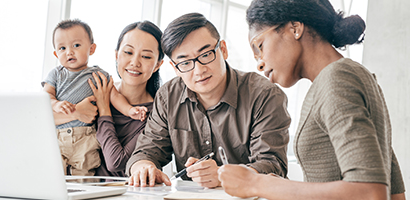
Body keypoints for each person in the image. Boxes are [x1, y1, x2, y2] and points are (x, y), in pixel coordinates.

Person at [217, 0, 406, 199]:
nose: (260, 64)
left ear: (295, 28)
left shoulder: (337, 78)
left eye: (260, 47)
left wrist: (258, 183)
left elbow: (370, 192)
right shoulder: (355, 75)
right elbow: (395, 193)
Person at [126, 12, 291, 188]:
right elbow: (146, 151)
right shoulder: (168, 96)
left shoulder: (264, 95)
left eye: (205, 55)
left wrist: (223, 176)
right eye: (185, 63)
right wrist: (143, 167)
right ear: (175, 68)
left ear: (223, 50)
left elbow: (273, 165)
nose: (198, 70)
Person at [42, 19, 147, 176]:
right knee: (53, 176)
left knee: (83, 179)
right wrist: (56, 104)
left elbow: (114, 96)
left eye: (76, 45)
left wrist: (130, 110)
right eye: (62, 48)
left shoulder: (98, 75)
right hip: (58, 137)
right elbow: (45, 97)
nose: (69, 52)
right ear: (56, 54)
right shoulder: (56, 75)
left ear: (91, 49)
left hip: (86, 138)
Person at [86, 21, 164, 177]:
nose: (135, 62)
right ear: (116, 55)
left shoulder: (156, 114)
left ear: (157, 65)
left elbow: (116, 162)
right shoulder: (98, 89)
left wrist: (104, 110)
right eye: (128, 52)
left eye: (146, 56)